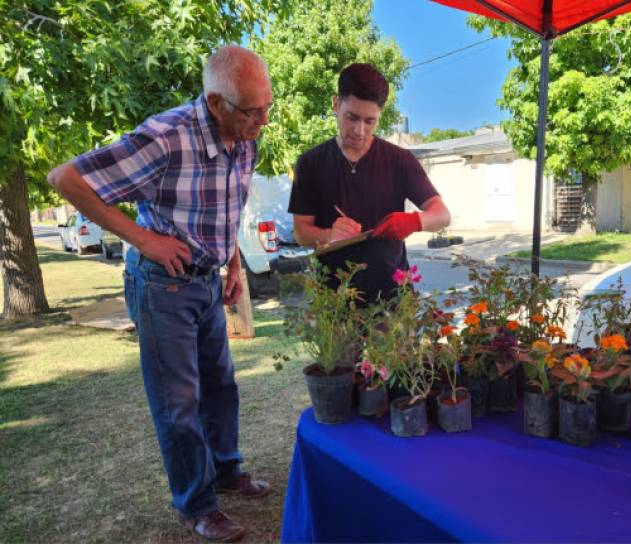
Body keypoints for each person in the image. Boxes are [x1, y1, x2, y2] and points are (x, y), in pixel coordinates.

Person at [47, 45, 272, 543]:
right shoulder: (165, 137)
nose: (263, 120)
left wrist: (232, 261)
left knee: (222, 386)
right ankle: (197, 504)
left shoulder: (245, 136)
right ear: (216, 103)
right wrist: (145, 239)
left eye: (267, 107)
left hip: (209, 281)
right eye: (252, 110)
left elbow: (225, 206)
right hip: (161, 286)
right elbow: (66, 179)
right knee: (179, 402)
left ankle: (227, 471)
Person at [289, 63, 451, 304]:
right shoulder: (311, 163)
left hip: (393, 299)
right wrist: (330, 234)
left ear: (380, 116)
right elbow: (302, 233)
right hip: (335, 303)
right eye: (351, 117)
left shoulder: (400, 160)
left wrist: (414, 221)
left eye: (369, 121)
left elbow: (442, 215)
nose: (359, 130)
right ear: (336, 104)